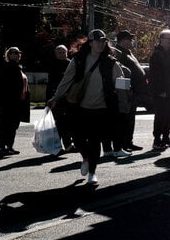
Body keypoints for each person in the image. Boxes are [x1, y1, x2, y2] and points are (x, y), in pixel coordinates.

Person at [48, 29, 124, 186]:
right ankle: (85, 158)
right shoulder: (79, 60)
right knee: (78, 139)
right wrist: (56, 97)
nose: (100, 44)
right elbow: (66, 81)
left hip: (101, 108)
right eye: (97, 41)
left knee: (95, 141)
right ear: (89, 43)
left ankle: (92, 173)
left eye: (103, 41)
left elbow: (121, 81)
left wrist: (123, 94)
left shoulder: (110, 62)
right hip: (79, 107)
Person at [0, 46, 30, 156]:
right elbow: (5, 86)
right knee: (3, 125)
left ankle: (9, 147)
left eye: (18, 53)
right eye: (13, 53)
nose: (16, 54)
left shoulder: (18, 67)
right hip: (5, 104)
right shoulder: (7, 67)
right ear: (8, 55)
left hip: (15, 103)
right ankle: (2, 148)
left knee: (13, 126)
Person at [113, 30, 146, 152]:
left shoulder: (128, 52)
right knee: (125, 119)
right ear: (122, 40)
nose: (131, 41)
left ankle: (129, 142)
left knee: (131, 118)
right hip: (126, 90)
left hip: (135, 90)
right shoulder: (118, 53)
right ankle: (122, 144)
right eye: (128, 39)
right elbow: (119, 72)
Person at [149, 29, 170, 151]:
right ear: (161, 40)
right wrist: (160, 90)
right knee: (161, 115)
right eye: (168, 39)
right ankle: (157, 140)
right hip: (161, 91)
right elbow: (154, 75)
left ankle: (166, 137)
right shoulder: (157, 54)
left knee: (169, 115)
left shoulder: (169, 54)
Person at [46, 44, 75, 152]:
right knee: (59, 123)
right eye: (60, 52)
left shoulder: (71, 63)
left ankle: (68, 145)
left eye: (64, 52)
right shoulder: (53, 65)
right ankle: (58, 147)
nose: (62, 54)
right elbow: (52, 84)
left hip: (69, 98)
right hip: (57, 98)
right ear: (56, 54)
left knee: (68, 122)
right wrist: (53, 98)